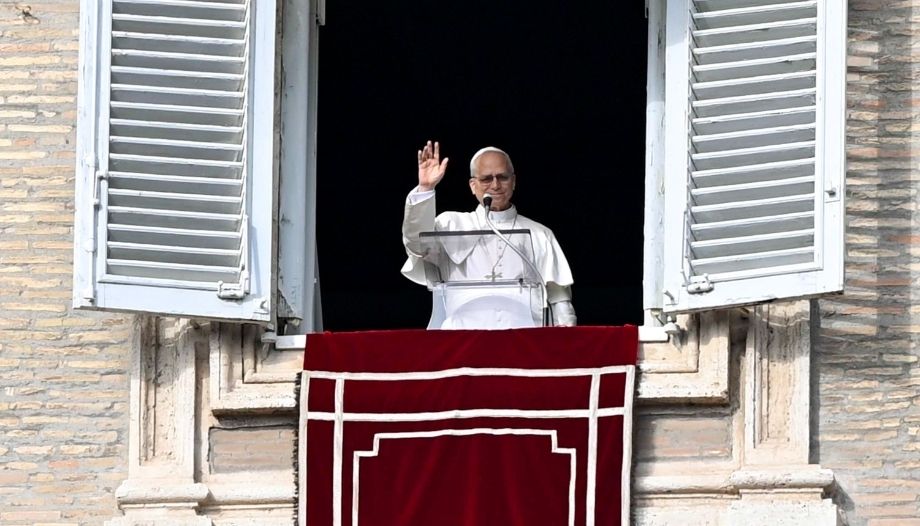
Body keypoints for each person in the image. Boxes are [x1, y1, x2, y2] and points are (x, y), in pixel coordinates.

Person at [401, 140, 576, 328]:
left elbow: (560, 301)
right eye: (486, 179)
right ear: (472, 185)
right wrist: (426, 189)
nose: (495, 185)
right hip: (462, 339)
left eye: (502, 177)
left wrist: (563, 346)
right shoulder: (450, 224)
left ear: (514, 181)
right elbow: (415, 244)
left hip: (524, 342)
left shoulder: (540, 234)